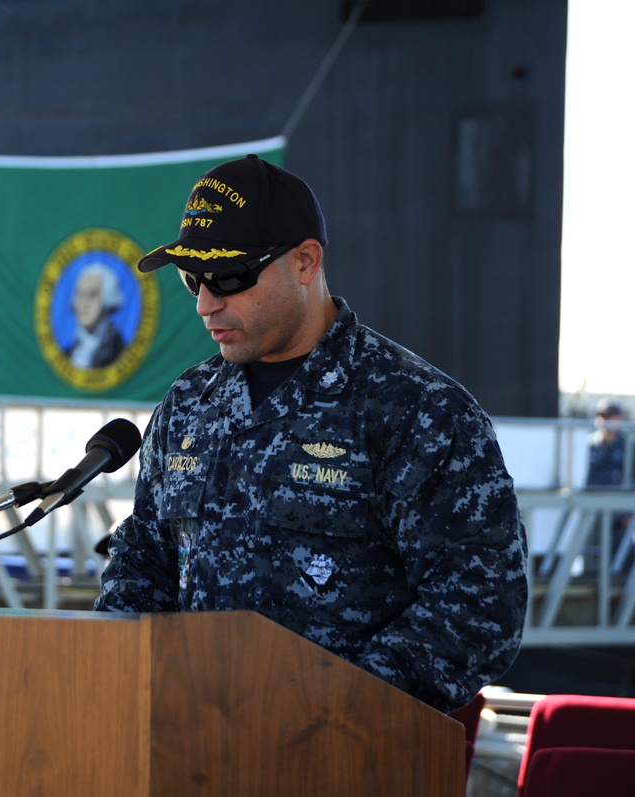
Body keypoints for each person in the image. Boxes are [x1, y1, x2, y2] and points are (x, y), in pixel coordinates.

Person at [93, 154, 528, 712]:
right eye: (191, 279)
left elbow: (480, 605)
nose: (206, 303)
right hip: (190, 751)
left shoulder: (417, 411)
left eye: (228, 276)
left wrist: (326, 709)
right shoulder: (187, 407)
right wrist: (119, 679)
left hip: (343, 761)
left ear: (304, 261)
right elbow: (143, 563)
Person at [585, 398, 635, 573]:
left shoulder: (631, 445)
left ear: (620, 418)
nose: (605, 420)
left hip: (620, 512)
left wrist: (631, 511)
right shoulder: (590, 444)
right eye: (601, 416)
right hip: (595, 510)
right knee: (595, 558)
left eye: (610, 416)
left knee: (623, 558)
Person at [65, 262, 126, 368]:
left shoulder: (120, 353)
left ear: (108, 300)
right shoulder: (67, 353)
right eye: (80, 294)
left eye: (91, 295)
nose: (84, 304)